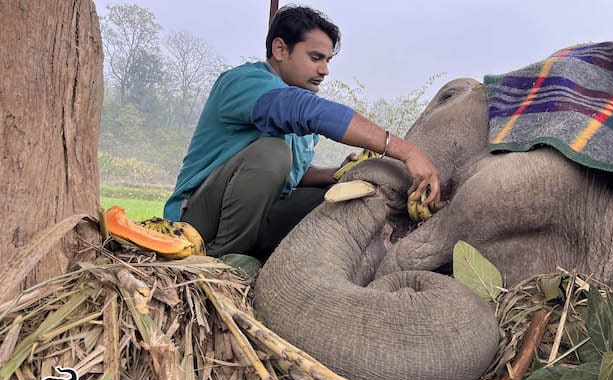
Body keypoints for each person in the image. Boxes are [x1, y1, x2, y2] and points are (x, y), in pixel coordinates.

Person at [163, 5, 441, 259]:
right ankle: (218, 260)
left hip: (258, 215)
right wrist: (407, 151)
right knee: (272, 153)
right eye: (316, 58)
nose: (325, 70)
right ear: (281, 50)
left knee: (341, 198)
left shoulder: (297, 103)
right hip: (198, 221)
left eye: (328, 60)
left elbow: (291, 175)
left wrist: (335, 174)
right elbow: (302, 118)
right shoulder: (246, 83)